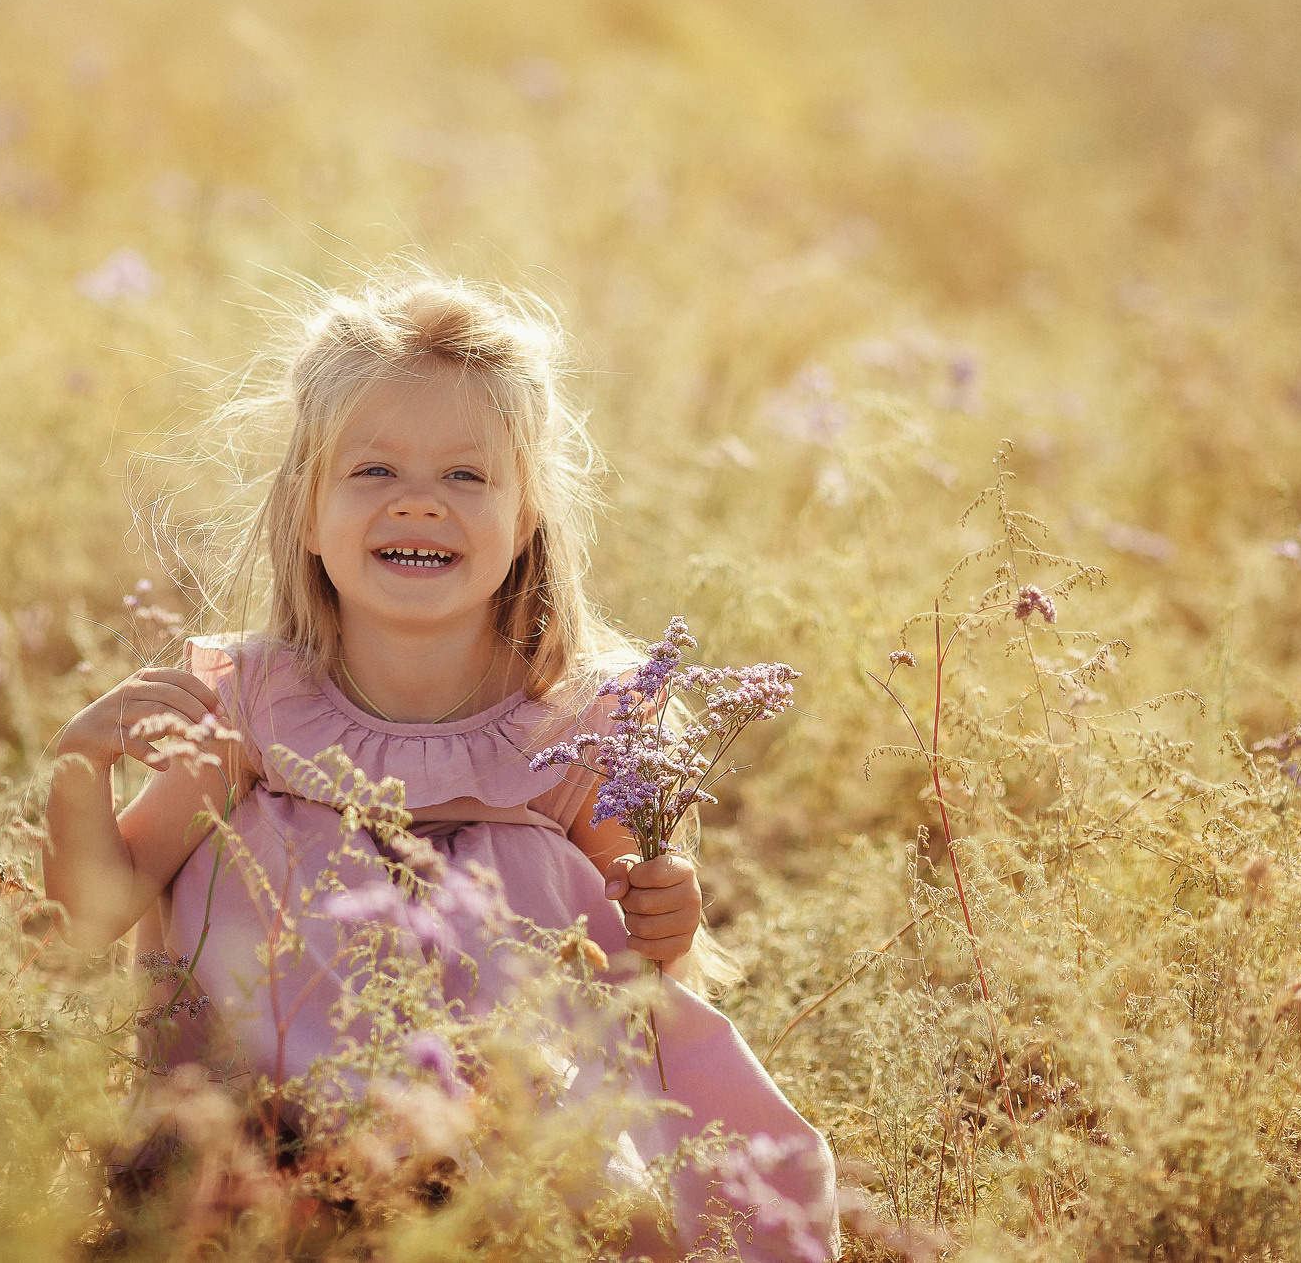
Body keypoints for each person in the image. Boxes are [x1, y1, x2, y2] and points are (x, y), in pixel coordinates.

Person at [43, 275, 838, 1260]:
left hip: (513, 1122)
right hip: (271, 1127)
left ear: (526, 516)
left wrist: (669, 907)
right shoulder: (255, 707)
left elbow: (647, 961)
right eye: (372, 471)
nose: (418, 503)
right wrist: (79, 766)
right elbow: (91, 913)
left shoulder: (585, 718)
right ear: (305, 510)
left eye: (466, 477)